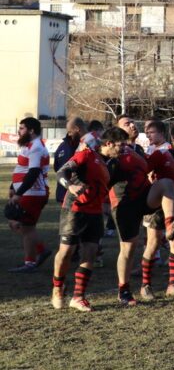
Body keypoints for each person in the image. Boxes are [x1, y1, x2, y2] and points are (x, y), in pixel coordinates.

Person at [105, 128, 174, 306]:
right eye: (126, 123)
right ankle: (123, 290)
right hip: (125, 205)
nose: (132, 125)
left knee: (166, 184)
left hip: (144, 197)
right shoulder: (111, 157)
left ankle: (170, 225)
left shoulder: (137, 149)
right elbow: (101, 178)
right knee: (128, 249)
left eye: (131, 122)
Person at [51, 129, 112, 312]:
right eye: (119, 145)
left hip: (95, 213)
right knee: (67, 251)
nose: (122, 148)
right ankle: (57, 288)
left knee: (91, 252)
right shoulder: (85, 154)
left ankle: (78, 296)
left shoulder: (107, 163)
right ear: (108, 143)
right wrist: (70, 186)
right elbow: (62, 172)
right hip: (75, 209)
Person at [139, 120, 174, 300]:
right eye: (146, 132)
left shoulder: (165, 153)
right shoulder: (157, 153)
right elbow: (144, 173)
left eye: (151, 132)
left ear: (162, 133)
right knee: (153, 243)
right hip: (158, 206)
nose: (148, 136)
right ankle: (145, 285)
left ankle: (172, 284)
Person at [7, 117, 51, 273]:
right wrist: (13, 186)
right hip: (28, 192)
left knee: (26, 228)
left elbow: (33, 172)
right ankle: (41, 250)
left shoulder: (36, 147)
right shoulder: (28, 145)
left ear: (32, 130)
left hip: (33, 193)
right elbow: (22, 168)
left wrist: (19, 193)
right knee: (17, 224)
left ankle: (30, 262)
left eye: (22, 128)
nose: (19, 131)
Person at [53, 117, 85, 205]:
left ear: (77, 129)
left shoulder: (87, 146)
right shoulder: (62, 146)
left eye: (70, 131)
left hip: (80, 193)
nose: (69, 134)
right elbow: (56, 168)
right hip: (63, 191)